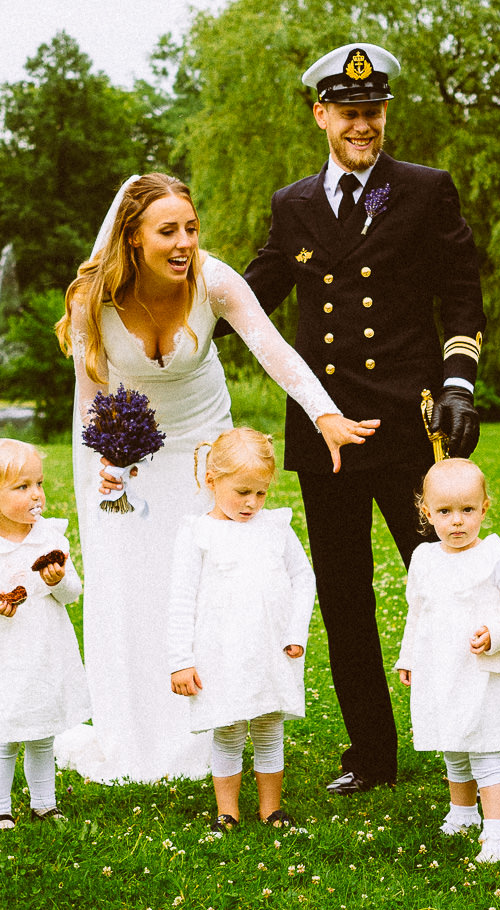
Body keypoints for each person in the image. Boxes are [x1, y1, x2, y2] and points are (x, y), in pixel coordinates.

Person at [235, 43, 500, 797]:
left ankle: (492, 746)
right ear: (321, 115)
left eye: (374, 112)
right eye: (350, 113)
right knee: (345, 595)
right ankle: (372, 755)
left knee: (449, 584)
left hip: (408, 425)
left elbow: (460, 292)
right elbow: (252, 296)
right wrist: (167, 313)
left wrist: (459, 382)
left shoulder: (423, 190)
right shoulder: (293, 204)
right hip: (325, 432)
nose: (364, 126)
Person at [55, 172, 377, 785]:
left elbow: (275, 350)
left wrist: (324, 413)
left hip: (206, 450)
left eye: (191, 228)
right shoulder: (90, 300)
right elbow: (91, 391)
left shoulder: (215, 281)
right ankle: (139, 733)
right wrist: (108, 460)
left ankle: (213, 725)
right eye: (167, 231)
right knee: (135, 582)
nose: (184, 243)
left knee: (212, 583)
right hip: (131, 452)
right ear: (132, 239)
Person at [395, 460, 500, 862]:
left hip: (481, 676)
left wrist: (497, 633)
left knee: (484, 749)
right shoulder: (424, 558)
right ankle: (461, 813)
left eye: (467, 510)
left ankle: (497, 831)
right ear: (427, 513)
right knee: (453, 747)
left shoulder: (495, 557)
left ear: (484, 508)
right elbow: (418, 612)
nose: (456, 521)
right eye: (445, 512)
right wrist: (409, 657)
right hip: (441, 672)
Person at [168, 429, 315, 832]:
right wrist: (181, 661)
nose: (252, 503)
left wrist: (295, 633)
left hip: (270, 650)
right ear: (212, 481)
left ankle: (271, 809)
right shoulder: (197, 533)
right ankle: (226, 812)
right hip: (222, 653)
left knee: (269, 727)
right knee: (229, 729)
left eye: (261, 493)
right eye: (242, 492)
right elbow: (181, 599)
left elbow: (304, 578)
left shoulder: (276, 528)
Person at [0, 439, 88, 829]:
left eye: (39, 484)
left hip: (45, 651)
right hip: (0, 659)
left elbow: (73, 594)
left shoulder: (51, 539)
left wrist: (58, 581)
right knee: (6, 737)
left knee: (43, 735)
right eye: (23, 487)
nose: (37, 495)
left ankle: (44, 803)